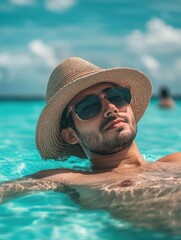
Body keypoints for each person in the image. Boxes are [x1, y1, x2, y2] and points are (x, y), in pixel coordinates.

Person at [1, 57, 181, 233]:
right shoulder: (70, 179)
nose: (111, 108)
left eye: (117, 96)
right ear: (71, 135)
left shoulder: (176, 160)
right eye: (88, 107)